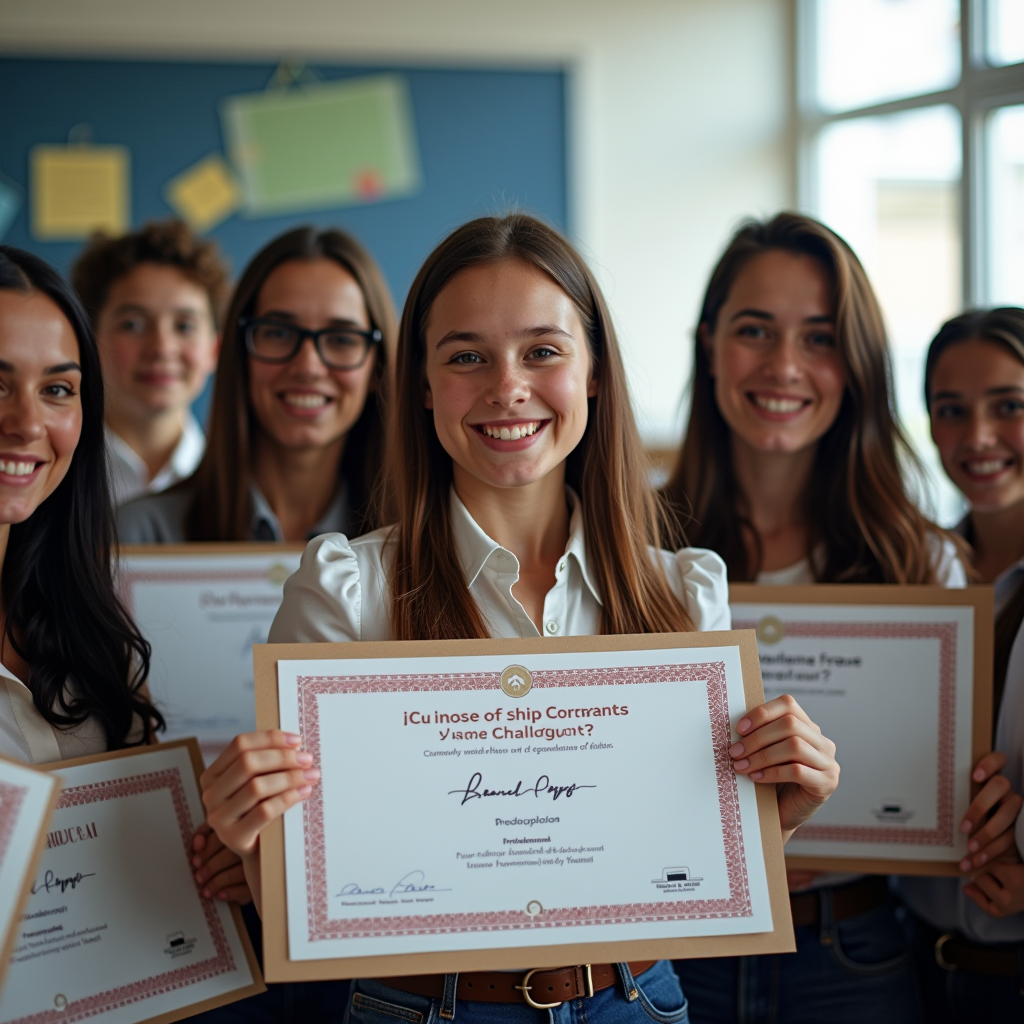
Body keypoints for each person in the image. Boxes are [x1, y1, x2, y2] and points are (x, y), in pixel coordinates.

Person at [199, 213, 841, 1024]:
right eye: (466, 356)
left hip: (637, 1001)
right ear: (423, 386)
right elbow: (307, 910)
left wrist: (775, 819)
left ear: (595, 373)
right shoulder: (345, 591)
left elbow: (697, 893)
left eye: (543, 351)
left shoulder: (684, 592)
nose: (508, 386)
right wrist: (252, 838)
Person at [662, 212, 969, 1024]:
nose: (784, 366)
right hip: (672, 954)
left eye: (821, 338)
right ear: (708, 343)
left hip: (854, 951)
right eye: (754, 330)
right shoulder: (631, 549)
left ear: (858, 364)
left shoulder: (921, 562)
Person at [899, 306, 1024, 1022]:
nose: (977, 437)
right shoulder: (914, 574)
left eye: (1009, 406)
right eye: (951, 410)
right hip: (911, 964)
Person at [118, 225, 395, 544]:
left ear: (377, 367)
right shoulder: (139, 536)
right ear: (239, 353)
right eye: (278, 333)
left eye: (342, 339)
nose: (308, 367)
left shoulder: (416, 547)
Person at [71, 220, 227, 506]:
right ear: (91, 344)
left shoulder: (235, 488)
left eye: (185, 326)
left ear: (214, 349)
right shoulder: (48, 478)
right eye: (133, 324)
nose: (161, 348)